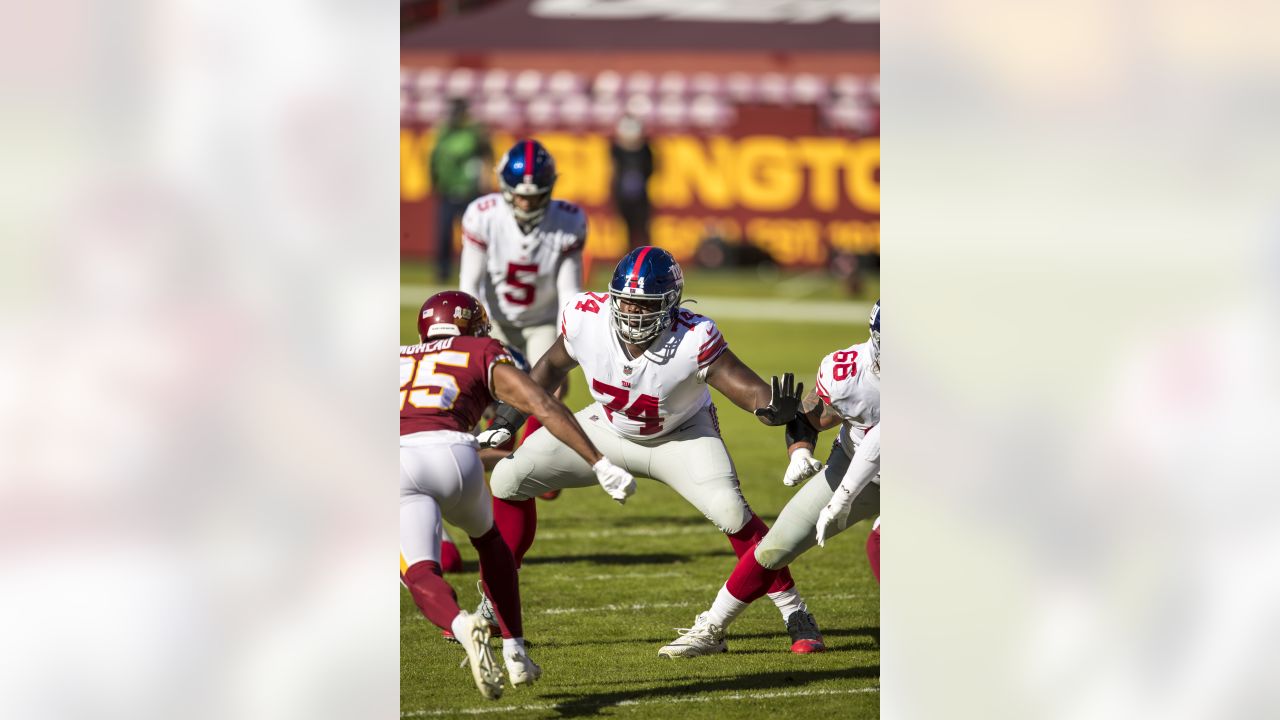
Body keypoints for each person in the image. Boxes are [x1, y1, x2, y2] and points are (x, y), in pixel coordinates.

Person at [478, 246, 827, 654]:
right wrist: (507, 420)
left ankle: (794, 611)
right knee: (509, 478)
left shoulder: (693, 336)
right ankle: (493, 600)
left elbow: (749, 392)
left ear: (669, 305)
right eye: (624, 301)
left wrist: (772, 409)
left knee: (732, 513)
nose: (630, 312)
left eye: (643, 305)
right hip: (606, 428)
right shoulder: (587, 317)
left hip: (680, 436)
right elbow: (550, 367)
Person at [400, 290, 635, 698]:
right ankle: (515, 652)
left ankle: (460, 624)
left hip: (398, 460)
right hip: (456, 453)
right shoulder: (482, 349)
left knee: (419, 571)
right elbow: (541, 404)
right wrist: (598, 461)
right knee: (491, 545)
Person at [658, 300, 881, 658]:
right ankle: (712, 628)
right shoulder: (849, 373)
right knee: (774, 547)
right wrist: (800, 452)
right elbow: (809, 419)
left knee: (883, 546)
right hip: (852, 469)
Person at [459, 139, 585, 482]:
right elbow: (470, 285)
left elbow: (569, 290)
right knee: (481, 385)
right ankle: (486, 449)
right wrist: (479, 336)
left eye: (535, 194)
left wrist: (570, 334)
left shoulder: (569, 220)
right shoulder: (483, 215)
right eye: (521, 193)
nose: (527, 201)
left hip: (540, 319)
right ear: (504, 186)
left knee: (553, 384)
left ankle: (536, 457)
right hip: (494, 319)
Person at [429, 98, 492, 283]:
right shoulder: (443, 133)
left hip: (470, 190)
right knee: (443, 235)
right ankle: (442, 271)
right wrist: (435, 181)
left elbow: (487, 155)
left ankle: (478, 269)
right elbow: (435, 159)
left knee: (474, 234)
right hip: (448, 190)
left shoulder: (475, 133)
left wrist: (485, 179)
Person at [609, 115, 655, 251]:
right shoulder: (616, 150)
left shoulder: (644, 150)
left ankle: (646, 255)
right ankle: (629, 256)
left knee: (642, 228)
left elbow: (650, 169)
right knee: (626, 229)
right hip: (624, 196)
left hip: (640, 197)